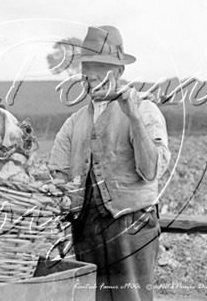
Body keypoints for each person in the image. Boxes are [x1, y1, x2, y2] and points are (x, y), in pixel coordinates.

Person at [48, 25, 171, 301]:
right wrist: (61, 196)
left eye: (101, 66)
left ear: (118, 72)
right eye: (88, 66)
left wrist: (134, 117)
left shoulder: (144, 110)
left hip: (132, 228)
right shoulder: (74, 123)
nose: (91, 74)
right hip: (87, 229)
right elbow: (58, 175)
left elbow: (151, 171)